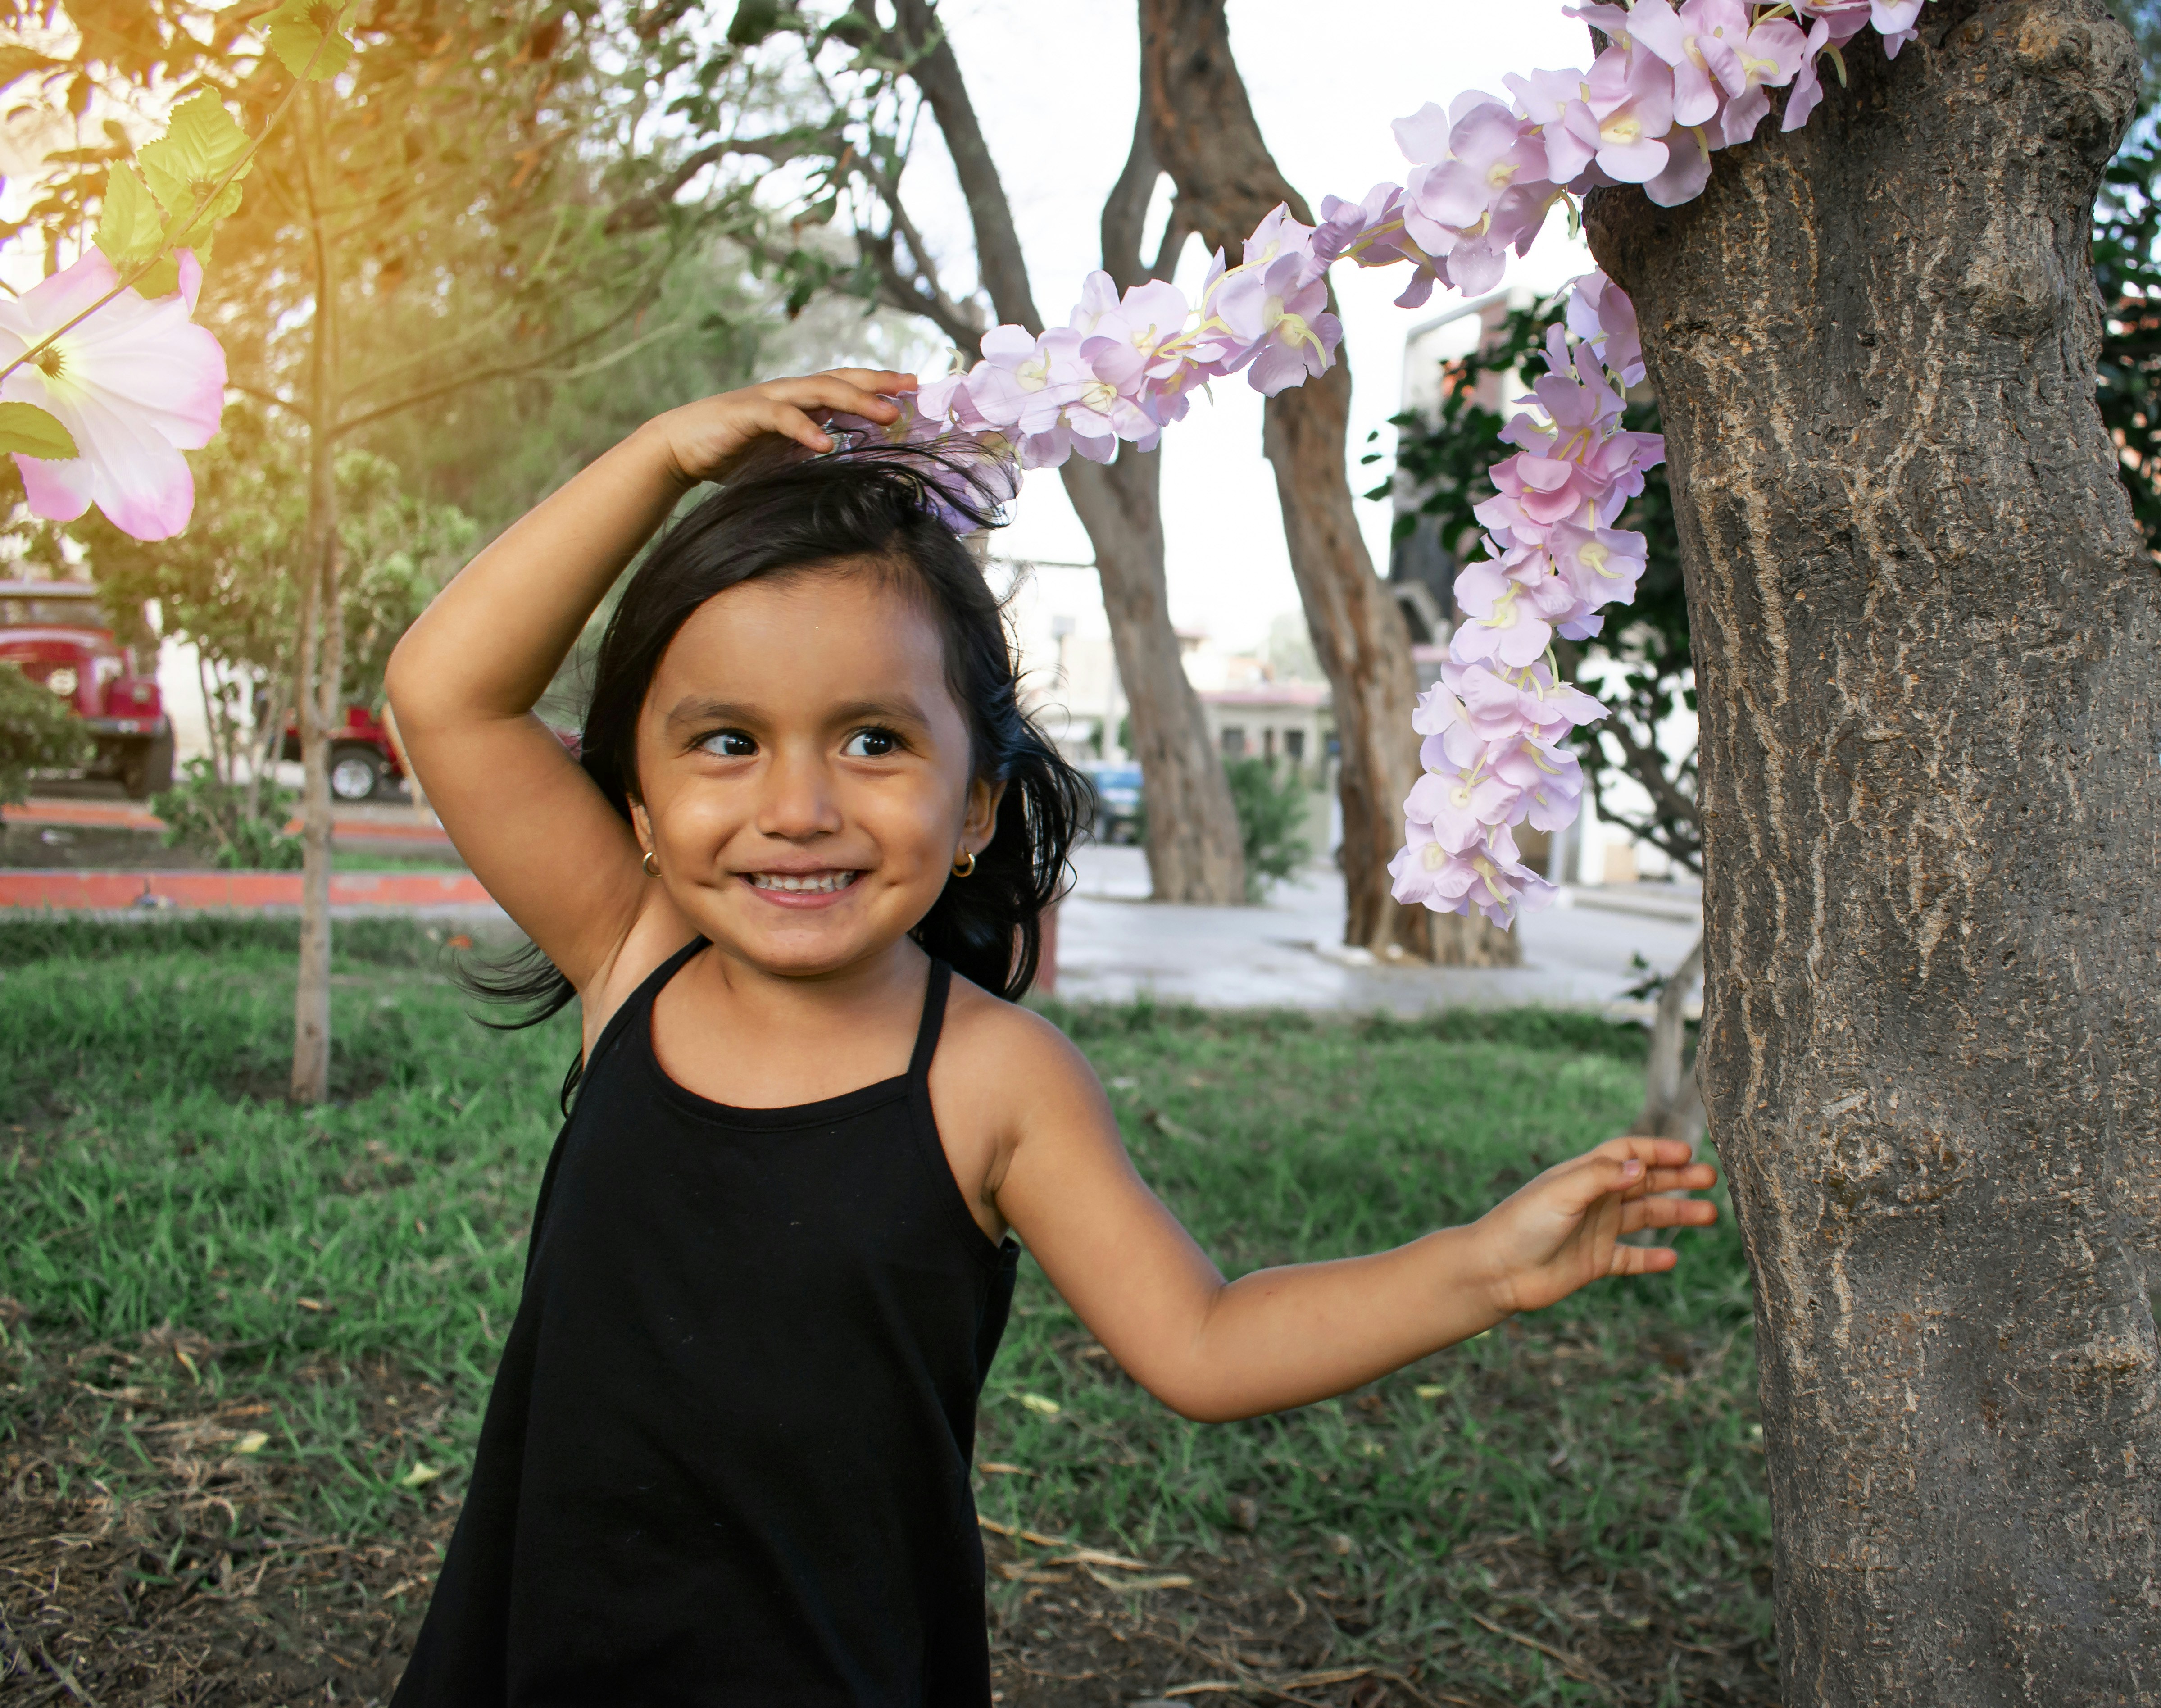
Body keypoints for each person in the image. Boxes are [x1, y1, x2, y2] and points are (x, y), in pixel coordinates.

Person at [382, 369, 1719, 1707]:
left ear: (975, 810)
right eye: (727, 742)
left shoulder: (989, 1081)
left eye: (872, 739)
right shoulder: (635, 950)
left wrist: (1479, 1268)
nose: (797, 806)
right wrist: (663, 451)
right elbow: (445, 694)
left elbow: (1202, 1341)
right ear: (639, 806)